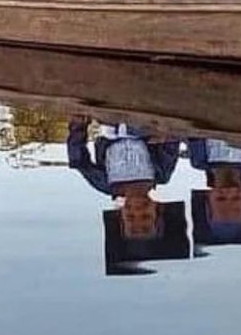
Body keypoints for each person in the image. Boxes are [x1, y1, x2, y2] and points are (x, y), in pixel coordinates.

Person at [67, 116, 188, 275]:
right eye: (145, 217)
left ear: (121, 217)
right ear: (157, 210)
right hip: (143, 122)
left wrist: (78, 127)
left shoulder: (105, 183)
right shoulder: (161, 174)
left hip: (108, 121)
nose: (137, 211)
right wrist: (165, 135)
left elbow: (79, 161)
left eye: (130, 217)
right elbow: (171, 144)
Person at [188, 137, 241, 250]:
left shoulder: (199, 159)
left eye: (220, 198)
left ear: (208, 196)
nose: (229, 191)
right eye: (237, 197)